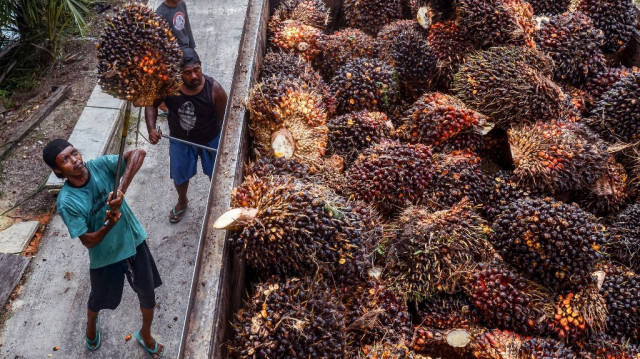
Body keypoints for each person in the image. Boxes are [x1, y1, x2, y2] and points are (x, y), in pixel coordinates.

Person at [42, 139, 164, 358]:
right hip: (105, 256)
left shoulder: (99, 166)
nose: (75, 160)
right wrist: (109, 225)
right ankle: (91, 323)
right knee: (99, 299)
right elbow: (87, 241)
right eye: (65, 160)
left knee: (147, 294)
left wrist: (120, 190)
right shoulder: (67, 202)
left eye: (74, 153)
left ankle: (145, 334)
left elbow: (139, 152)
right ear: (57, 170)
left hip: (134, 240)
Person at [145, 49, 228, 223]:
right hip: (180, 140)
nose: (194, 76)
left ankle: (218, 204)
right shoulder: (169, 87)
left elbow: (227, 120)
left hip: (210, 139)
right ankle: (182, 201)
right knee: (179, 176)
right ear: (178, 73)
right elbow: (151, 104)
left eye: (196, 70)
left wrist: (224, 145)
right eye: (187, 73)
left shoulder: (215, 90)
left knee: (217, 175)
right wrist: (151, 129)